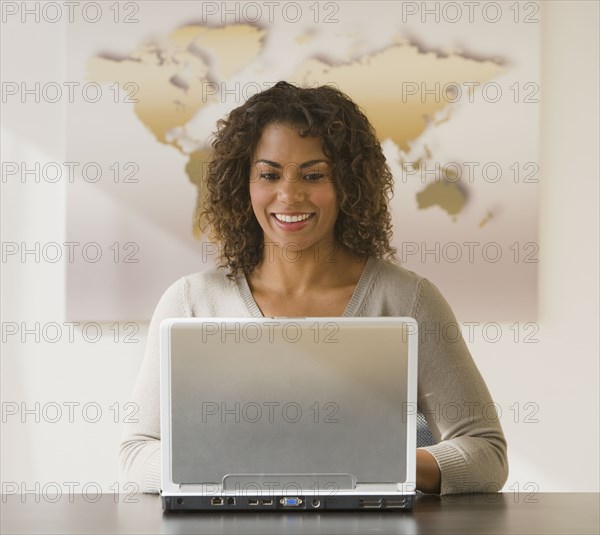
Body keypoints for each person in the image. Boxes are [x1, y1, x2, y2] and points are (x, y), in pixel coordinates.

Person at [120, 81, 508, 496]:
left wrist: (376, 461)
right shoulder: (190, 301)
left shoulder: (407, 299)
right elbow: (135, 456)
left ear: (349, 184)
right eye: (268, 174)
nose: (289, 195)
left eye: (314, 174)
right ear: (242, 183)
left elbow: (487, 454)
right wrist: (236, 462)